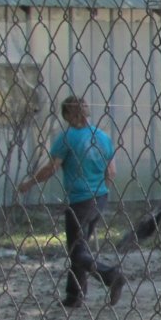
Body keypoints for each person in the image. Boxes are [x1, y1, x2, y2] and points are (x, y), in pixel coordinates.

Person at [18, 96, 126, 308]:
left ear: (67, 115)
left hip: (80, 200)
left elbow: (51, 168)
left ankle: (111, 275)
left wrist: (29, 183)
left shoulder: (67, 138)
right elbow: (111, 171)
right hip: (100, 197)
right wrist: (100, 188)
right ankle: (74, 295)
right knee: (80, 246)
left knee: (77, 250)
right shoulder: (102, 136)